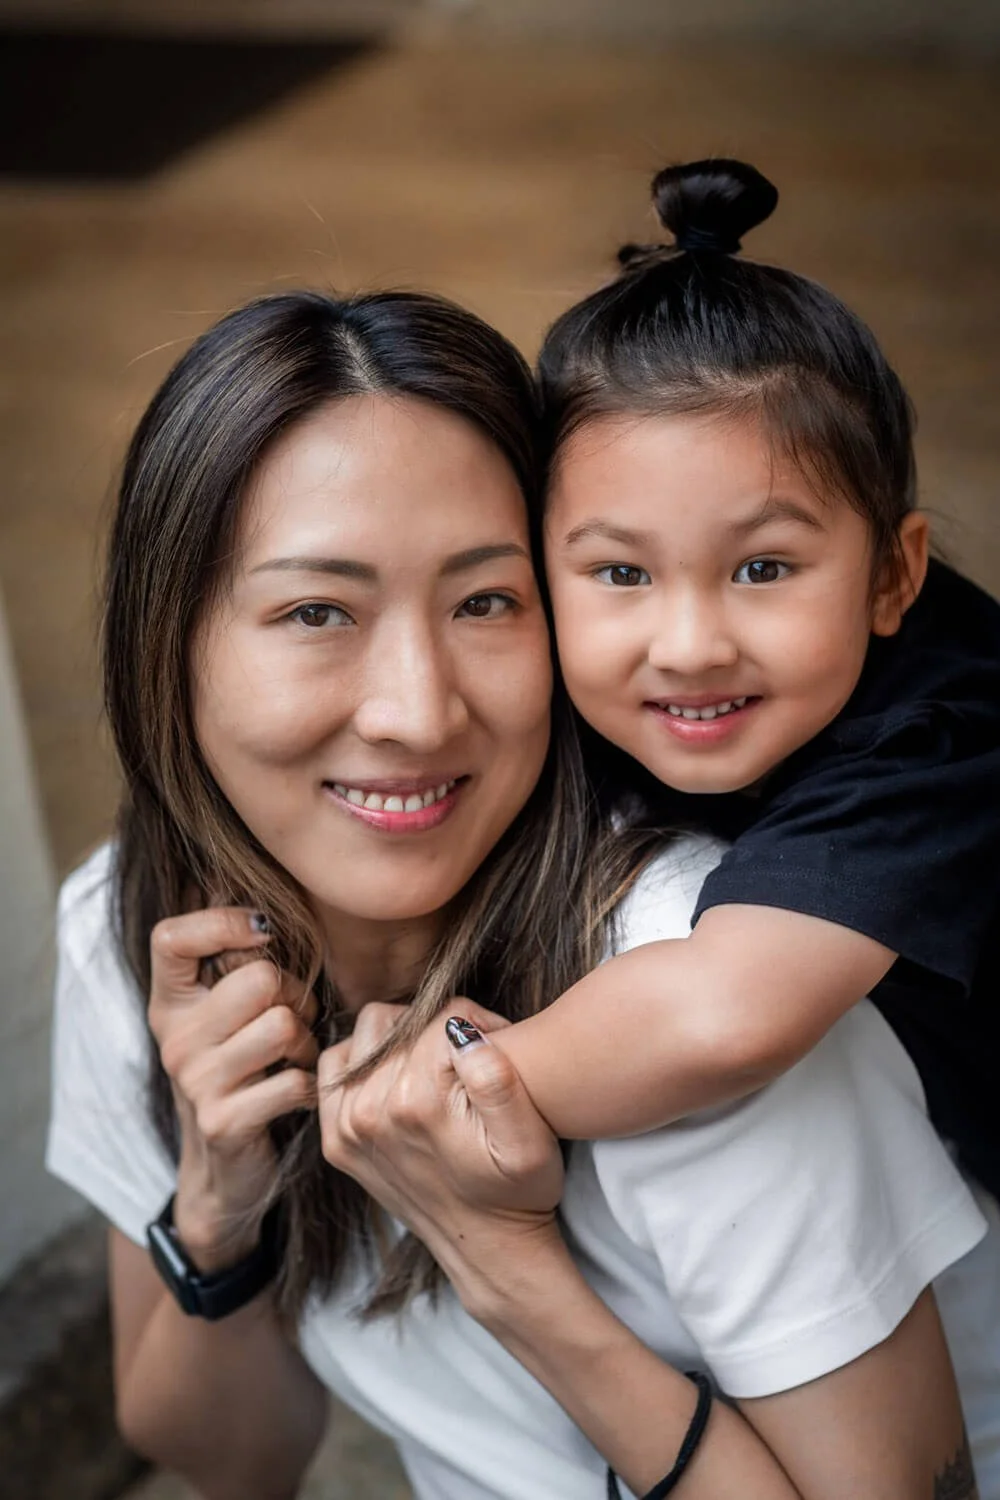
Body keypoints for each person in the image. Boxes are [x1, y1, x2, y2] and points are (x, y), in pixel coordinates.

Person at [46, 286, 994, 1500]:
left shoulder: (688, 976)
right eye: (317, 611)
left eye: (484, 602)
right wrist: (219, 1199)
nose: (418, 710)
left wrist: (510, 1271)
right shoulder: (140, 935)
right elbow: (235, 1459)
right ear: (165, 637)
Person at [480, 160, 1000, 1212]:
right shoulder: (569, 671)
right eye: (621, 573)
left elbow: (726, 1017)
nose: (689, 646)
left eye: (761, 569)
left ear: (893, 574)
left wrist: (442, 1091)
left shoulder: (942, 734)